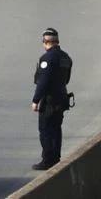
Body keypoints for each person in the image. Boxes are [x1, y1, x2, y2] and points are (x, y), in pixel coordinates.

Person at [32, 27, 73, 170]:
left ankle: (47, 160)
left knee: (45, 129)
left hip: (49, 101)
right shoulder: (66, 57)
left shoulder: (47, 58)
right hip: (61, 98)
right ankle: (56, 158)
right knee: (56, 128)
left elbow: (43, 81)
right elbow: (66, 79)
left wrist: (36, 100)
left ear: (45, 42)